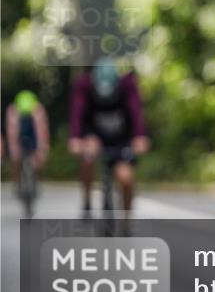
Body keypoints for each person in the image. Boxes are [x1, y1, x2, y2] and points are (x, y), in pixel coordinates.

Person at [68, 57, 150, 217]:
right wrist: (75, 138)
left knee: (125, 177)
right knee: (87, 157)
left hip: (121, 140)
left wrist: (140, 137)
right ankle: (87, 199)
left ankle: (126, 219)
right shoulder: (85, 86)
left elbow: (136, 113)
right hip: (95, 137)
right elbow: (77, 113)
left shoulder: (127, 86)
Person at [5, 89, 50, 203]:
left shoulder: (38, 110)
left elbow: (41, 132)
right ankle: (17, 183)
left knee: (38, 158)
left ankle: (36, 181)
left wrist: (41, 149)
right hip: (20, 135)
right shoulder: (13, 111)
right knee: (16, 160)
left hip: (34, 135)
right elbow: (12, 134)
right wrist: (14, 151)